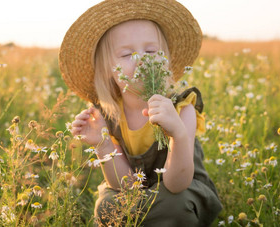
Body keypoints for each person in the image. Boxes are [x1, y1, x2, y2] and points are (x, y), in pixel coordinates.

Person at [59, 0, 222, 226]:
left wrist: (178, 134)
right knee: (106, 205)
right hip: (137, 192)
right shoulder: (110, 115)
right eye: (126, 55)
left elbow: (176, 185)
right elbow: (123, 185)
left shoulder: (183, 108)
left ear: (165, 59)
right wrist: (103, 145)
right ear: (108, 69)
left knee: (176, 206)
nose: (141, 59)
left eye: (151, 51)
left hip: (179, 191)